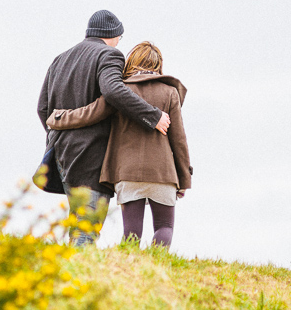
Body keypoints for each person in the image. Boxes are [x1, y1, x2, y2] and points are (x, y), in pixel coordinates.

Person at [37, 10, 171, 246]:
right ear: (113, 34)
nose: (120, 42)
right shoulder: (110, 54)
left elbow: (43, 108)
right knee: (87, 228)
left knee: (78, 221)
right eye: (120, 37)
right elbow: (113, 91)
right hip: (91, 156)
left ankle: (72, 270)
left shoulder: (60, 59)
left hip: (60, 153)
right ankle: (80, 277)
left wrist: (59, 134)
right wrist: (153, 115)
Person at [48, 41, 191, 249]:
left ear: (131, 62)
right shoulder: (170, 93)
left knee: (131, 231)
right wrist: (184, 178)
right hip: (164, 174)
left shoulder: (119, 92)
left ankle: (131, 266)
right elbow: (179, 140)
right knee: (164, 227)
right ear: (158, 64)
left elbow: (89, 114)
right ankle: (156, 264)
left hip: (127, 173)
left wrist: (57, 118)